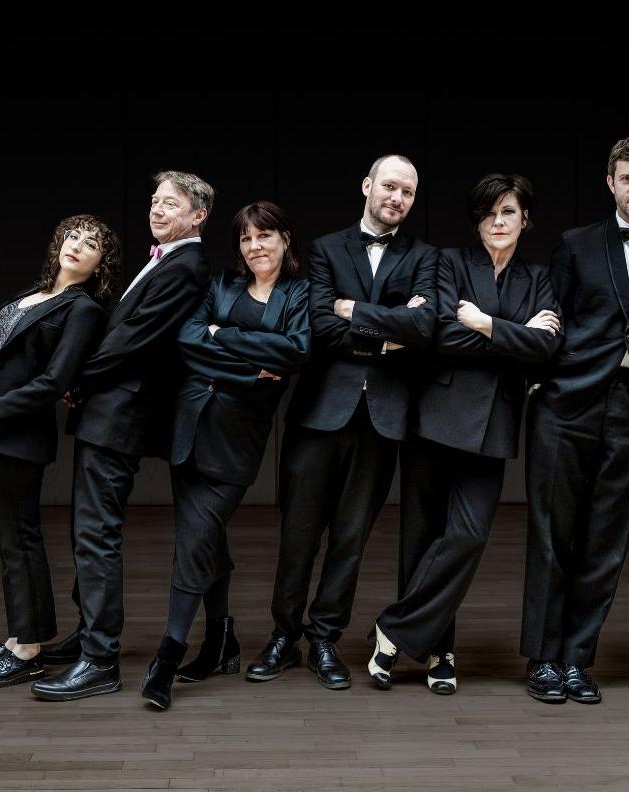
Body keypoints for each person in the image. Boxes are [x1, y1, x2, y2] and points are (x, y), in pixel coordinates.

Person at [366, 174, 560, 694]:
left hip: (494, 422)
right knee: (421, 537)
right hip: (435, 415)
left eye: (509, 213)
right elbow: (441, 334)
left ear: (525, 220)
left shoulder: (539, 278)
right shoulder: (448, 263)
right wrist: (511, 335)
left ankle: (395, 629)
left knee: (466, 536)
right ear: (477, 221)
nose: (498, 222)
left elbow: (546, 351)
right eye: (489, 213)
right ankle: (439, 652)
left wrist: (485, 323)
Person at [248, 154, 436, 690]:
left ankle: (324, 638)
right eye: (389, 187)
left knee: (351, 537)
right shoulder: (329, 248)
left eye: (407, 192)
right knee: (298, 534)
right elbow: (319, 326)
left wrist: (353, 310)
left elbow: (425, 327)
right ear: (367, 186)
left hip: (383, 420)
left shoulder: (424, 256)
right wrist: (389, 332)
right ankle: (283, 636)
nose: (397, 198)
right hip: (320, 414)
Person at [31, 171, 214, 702]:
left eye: (171, 204)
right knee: (85, 532)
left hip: (120, 415)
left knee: (96, 536)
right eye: (154, 201)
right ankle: (90, 635)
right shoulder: (166, 260)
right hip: (107, 412)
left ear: (198, 216)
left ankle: (99, 660)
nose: (157, 211)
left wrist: (75, 380)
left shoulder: (187, 266)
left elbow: (133, 342)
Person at [519, 135, 629, 704]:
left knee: (607, 541)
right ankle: (543, 658)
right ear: (609, 183)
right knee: (551, 533)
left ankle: (575, 659)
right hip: (568, 403)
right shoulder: (574, 244)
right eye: (627, 178)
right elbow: (551, 318)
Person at [0, 214, 116, 688]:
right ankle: (19, 639)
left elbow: (54, 382)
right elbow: (2, 358)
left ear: (99, 265)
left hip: (17, 431)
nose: (78, 245)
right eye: (73, 235)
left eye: (92, 244)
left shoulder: (82, 309)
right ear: (59, 241)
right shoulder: (33, 294)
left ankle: (29, 647)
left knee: (20, 539)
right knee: (8, 539)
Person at [140, 201, 311, 709]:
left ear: (284, 240)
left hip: (237, 439)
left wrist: (225, 336)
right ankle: (220, 638)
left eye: (264, 237)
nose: (254, 247)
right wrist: (249, 362)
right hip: (189, 429)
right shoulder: (220, 285)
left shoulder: (298, 295)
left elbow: (295, 352)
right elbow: (188, 341)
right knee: (204, 538)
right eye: (245, 239)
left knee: (194, 540)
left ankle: (167, 656)